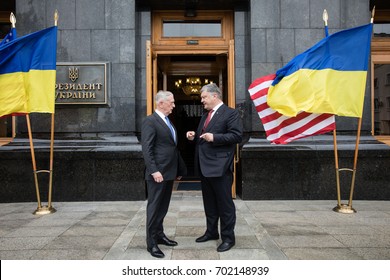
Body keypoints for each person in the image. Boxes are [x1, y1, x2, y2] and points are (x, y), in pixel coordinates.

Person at [186, 83, 242, 252]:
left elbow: (236, 135)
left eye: (204, 97)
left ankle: (228, 238)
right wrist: (194, 136)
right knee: (209, 203)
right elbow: (204, 137)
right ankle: (211, 232)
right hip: (204, 166)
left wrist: (215, 137)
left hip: (220, 167)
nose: (202, 100)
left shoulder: (231, 113)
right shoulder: (206, 115)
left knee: (224, 204)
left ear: (214, 96)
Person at [141, 90, 187, 258]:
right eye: (171, 102)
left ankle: (159, 235)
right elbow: (147, 149)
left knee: (163, 207)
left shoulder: (167, 121)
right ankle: (151, 243)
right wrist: (154, 170)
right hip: (158, 174)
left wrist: (178, 170)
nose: (174, 105)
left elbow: (170, 147)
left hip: (168, 173)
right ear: (160, 103)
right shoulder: (150, 121)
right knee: (154, 208)